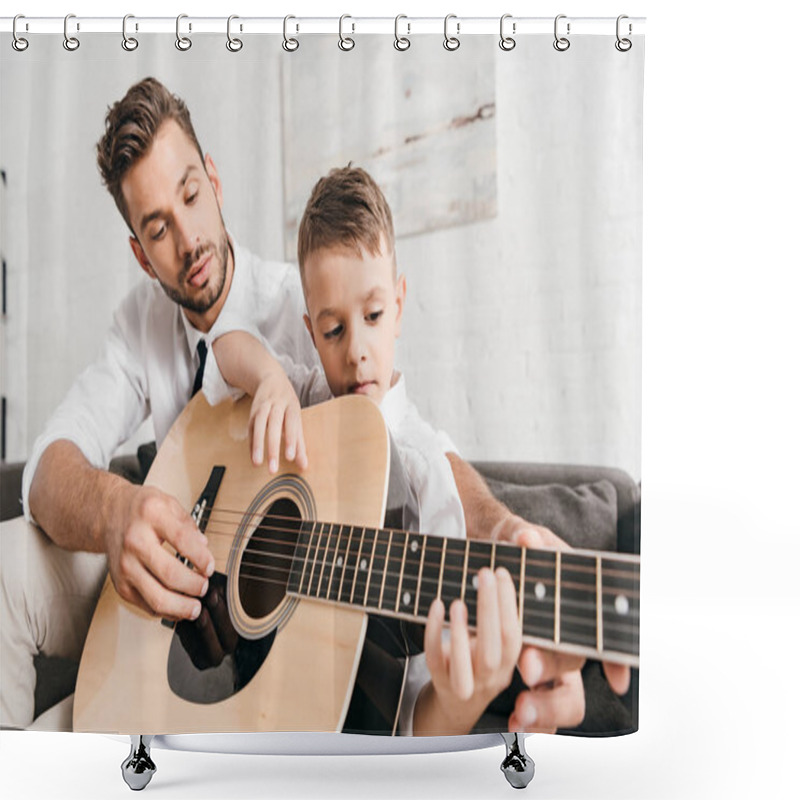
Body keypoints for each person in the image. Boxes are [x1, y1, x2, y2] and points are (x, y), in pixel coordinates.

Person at [0, 77, 618, 733]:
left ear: (213, 179)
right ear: (140, 255)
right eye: (158, 228)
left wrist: (502, 531)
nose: (187, 240)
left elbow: (403, 437)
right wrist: (115, 510)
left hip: (250, 674)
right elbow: (46, 467)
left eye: (190, 195)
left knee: (58, 746)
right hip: (160, 605)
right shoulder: (137, 327)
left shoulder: (319, 304)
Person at [206, 165, 523, 734]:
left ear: (399, 306)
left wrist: (458, 703)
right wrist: (269, 380)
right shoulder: (304, 396)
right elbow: (224, 345)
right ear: (309, 331)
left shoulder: (425, 476)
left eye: (373, 317)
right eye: (333, 331)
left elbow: (411, 720)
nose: (356, 352)